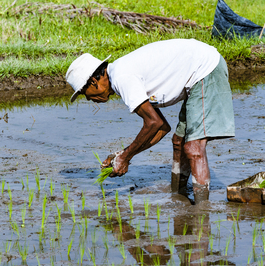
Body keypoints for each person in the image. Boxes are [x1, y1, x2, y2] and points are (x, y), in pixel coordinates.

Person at [65, 39, 235, 204]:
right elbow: (161, 127)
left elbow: (153, 123)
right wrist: (124, 155)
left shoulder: (121, 78)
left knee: (194, 147)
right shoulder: (121, 76)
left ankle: (201, 211)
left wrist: (125, 157)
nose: (88, 99)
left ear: (93, 81)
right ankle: (178, 196)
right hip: (196, 71)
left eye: (83, 92)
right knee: (179, 141)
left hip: (205, 69)